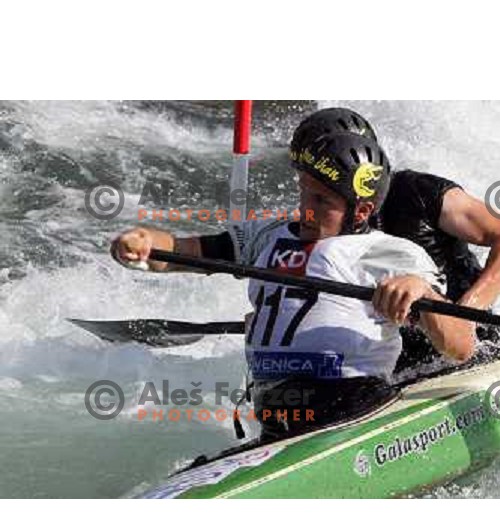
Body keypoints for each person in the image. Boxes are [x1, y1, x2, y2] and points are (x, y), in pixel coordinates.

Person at [111, 132, 475, 440]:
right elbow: (179, 253)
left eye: (322, 201)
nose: (307, 209)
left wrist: (419, 291)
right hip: (275, 414)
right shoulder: (267, 234)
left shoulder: (389, 252)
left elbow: (460, 346)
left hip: (352, 406)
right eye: (304, 193)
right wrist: (143, 242)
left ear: (361, 212)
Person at [291, 107, 500, 369]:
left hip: (469, 343)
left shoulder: (418, 192)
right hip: (395, 358)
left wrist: (467, 312)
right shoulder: (315, 221)